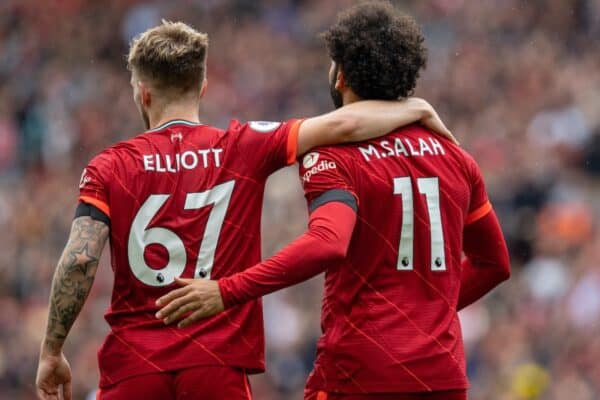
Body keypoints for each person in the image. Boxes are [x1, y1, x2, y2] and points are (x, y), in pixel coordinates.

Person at [35, 19, 455, 400]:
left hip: (134, 368)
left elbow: (82, 258)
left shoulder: (110, 165)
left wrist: (52, 349)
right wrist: (414, 108)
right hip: (215, 365)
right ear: (201, 88)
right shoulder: (242, 145)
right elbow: (344, 124)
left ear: (142, 93)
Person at [156, 3, 511, 400]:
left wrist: (226, 290)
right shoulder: (456, 156)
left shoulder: (332, 155)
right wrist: (426, 315)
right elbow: (494, 263)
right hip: (442, 378)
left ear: (340, 75)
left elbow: (328, 242)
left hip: (360, 373)